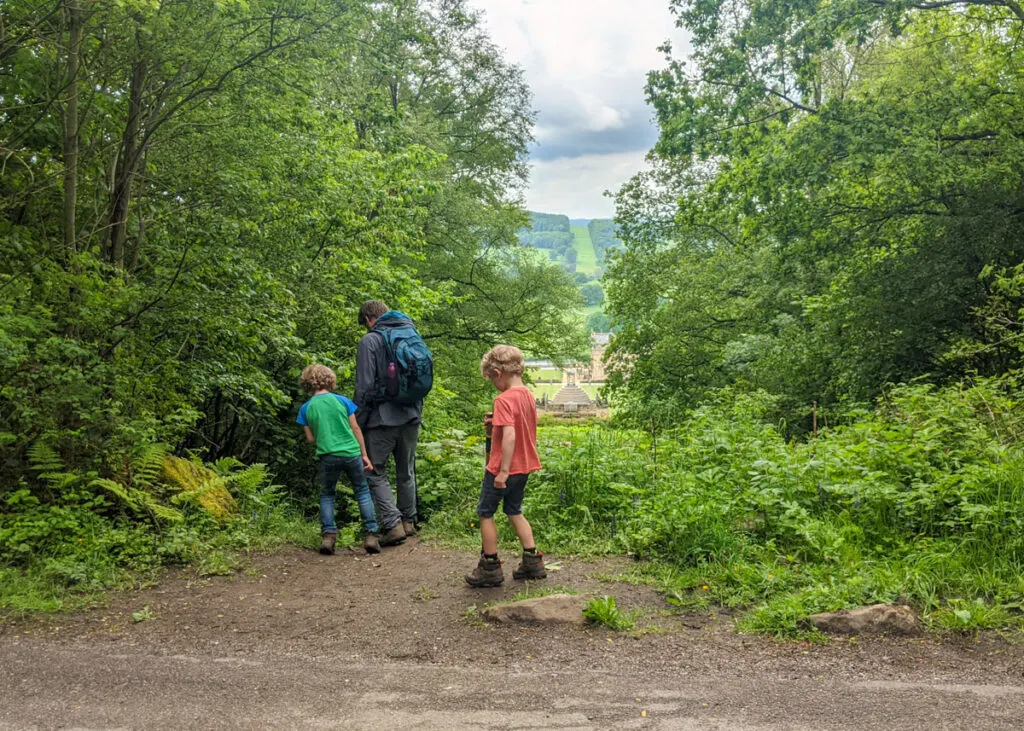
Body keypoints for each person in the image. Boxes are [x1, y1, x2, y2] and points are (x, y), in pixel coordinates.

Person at [466, 345, 546, 587]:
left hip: (503, 469)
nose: (493, 384)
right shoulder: (529, 396)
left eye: (491, 379)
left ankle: (490, 566)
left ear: (497, 373)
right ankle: (532, 561)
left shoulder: (503, 399)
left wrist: (502, 472)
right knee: (514, 510)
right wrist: (495, 427)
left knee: (485, 513)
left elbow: (510, 436)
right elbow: (521, 428)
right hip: (524, 467)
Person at [354, 300, 425, 545]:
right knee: (406, 470)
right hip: (411, 416)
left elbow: (363, 386)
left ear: (367, 319)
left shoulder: (370, 341)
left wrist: (357, 421)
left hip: (381, 419)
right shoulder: (409, 334)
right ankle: (408, 521)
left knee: (374, 471)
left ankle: (392, 525)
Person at [297, 364, 381, 555]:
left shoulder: (305, 408)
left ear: (307, 383)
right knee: (362, 491)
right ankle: (371, 535)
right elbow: (356, 429)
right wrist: (365, 455)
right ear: (330, 380)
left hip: (328, 456)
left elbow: (310, 438)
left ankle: (328, 536)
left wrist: (326, 440)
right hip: (351, 453)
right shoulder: (342, 401)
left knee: (327, 494)